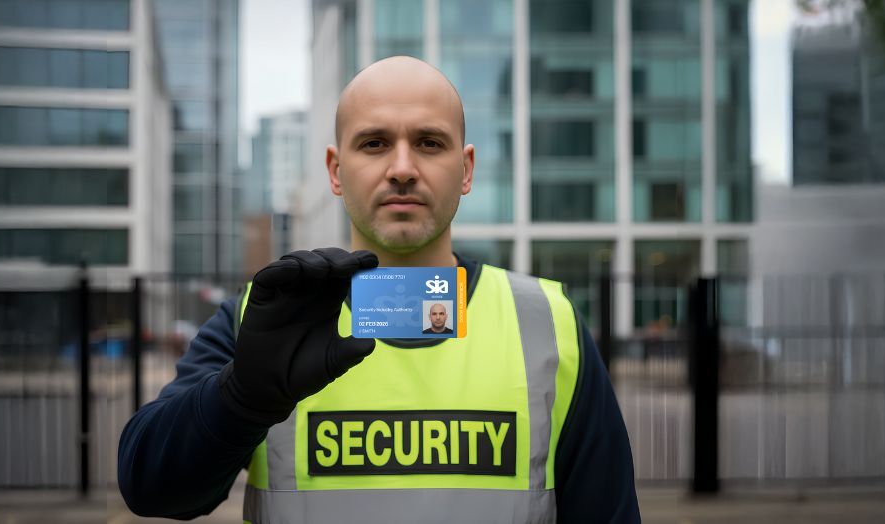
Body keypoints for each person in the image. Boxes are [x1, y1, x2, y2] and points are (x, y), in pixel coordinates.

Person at [118, 56, 640, 523]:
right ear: (335, 169)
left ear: (466, 169)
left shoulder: (547, 322)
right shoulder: (262, 319)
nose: (403, 168)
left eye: (430, 143)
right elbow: (151, 489)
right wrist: (241, 399)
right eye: (375, 143)